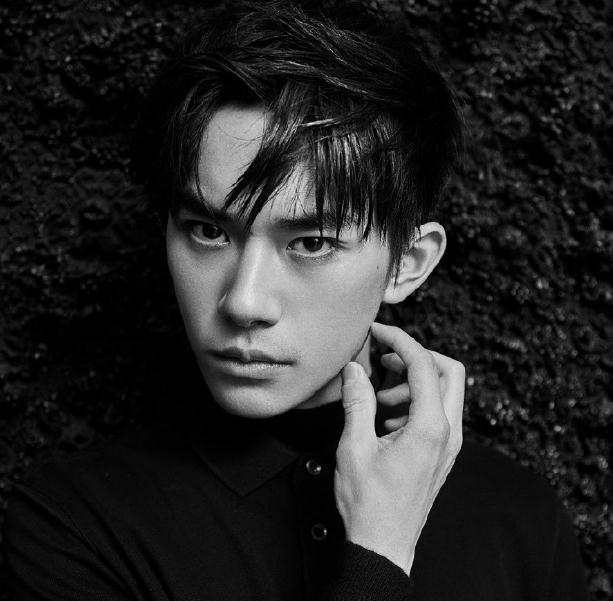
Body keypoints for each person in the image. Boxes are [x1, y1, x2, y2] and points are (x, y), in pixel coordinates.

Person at [2, 1, 588, 600]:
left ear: (407, 264)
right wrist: (380, 552)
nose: (244, 302)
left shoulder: (521, 521)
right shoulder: (73, 526)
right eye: (208, 231)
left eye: (311, 243)